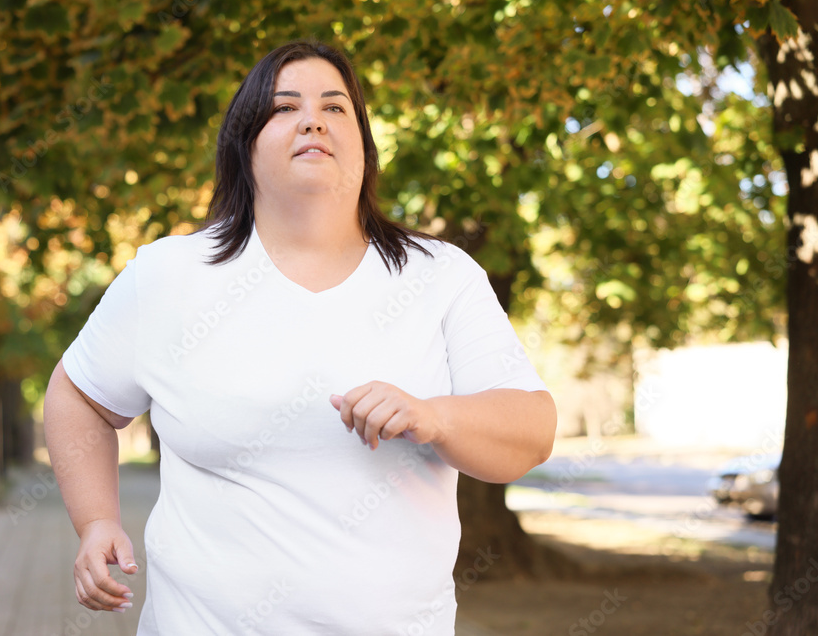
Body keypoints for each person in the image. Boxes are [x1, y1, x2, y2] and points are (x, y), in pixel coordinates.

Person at [43, 39, 557, 635]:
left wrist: (436, 416)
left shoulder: (442, 275)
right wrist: (96, 520)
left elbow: (532, 431)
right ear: (244, 145)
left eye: (335, 107)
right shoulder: (169, 274)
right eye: (285, 107)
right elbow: (78, 396)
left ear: (363, 145)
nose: (313, 119)